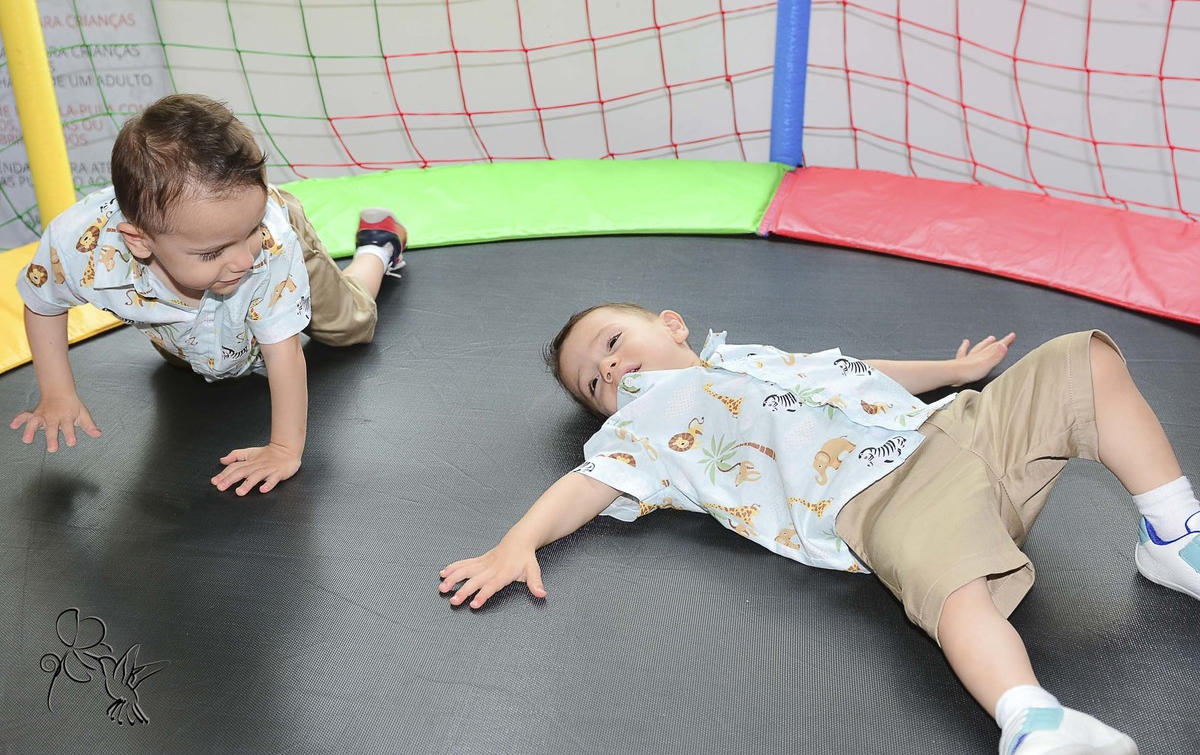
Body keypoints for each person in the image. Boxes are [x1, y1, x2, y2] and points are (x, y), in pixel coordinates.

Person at [439, 302, 1200, 755]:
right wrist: (520, 540)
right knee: (958, 597)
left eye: (612, 344)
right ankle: (1033, 719)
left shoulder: (750, 358)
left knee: (1083, 360)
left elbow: (852, 371)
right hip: (883, 499)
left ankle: (1172, 535)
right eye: (594, 385)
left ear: (670, 324)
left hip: (953, 430)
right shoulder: (647, 425)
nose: (611, 373)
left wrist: (948, 371)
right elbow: (586, 483)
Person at [10, 93, 407, 496]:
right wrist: (57, 392)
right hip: (189, 304)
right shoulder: (79, 246)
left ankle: (379, 246)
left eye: (245, 235)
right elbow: (44, 303)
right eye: (213, 252)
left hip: (281, 242)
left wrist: (284, 448)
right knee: (197, 363)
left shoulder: (266, 246)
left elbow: (283, 351)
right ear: (140, 242)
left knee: (350, 326)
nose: (240, 260)